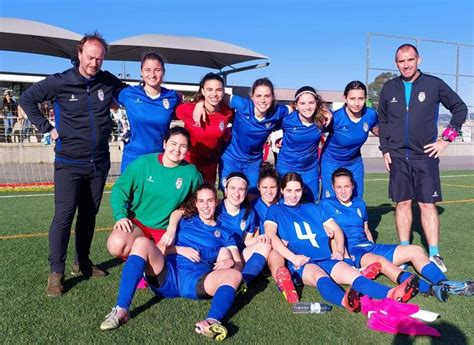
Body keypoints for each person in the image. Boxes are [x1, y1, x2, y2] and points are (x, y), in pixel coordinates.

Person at [19, 32, 127, 297]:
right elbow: (26, 100)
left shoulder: (107, 80)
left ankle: (83, 262)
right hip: (68, 163)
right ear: (79, 54)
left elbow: (132, 96)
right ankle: (56, 272)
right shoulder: (60, 82)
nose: (94, 63)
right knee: (64, 216)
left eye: (99, 58)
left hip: (99, 163)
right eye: (90, 57)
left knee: (89, 215)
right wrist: (47, 128)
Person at [100, 184, 241, 341]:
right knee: (141, 242)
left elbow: (238, 263)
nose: (205, 206)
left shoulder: (225, 233)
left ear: (216, 202)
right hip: (167, 275)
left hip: (195, 281)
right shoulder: (185, 220)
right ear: (196, 203)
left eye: (210, 201)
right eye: (201, 201)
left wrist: (229, 261)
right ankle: (121, 309)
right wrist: (180, 250)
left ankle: (211, 321)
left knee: (234, 275)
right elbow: (160, 248)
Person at [264, 172, 419, 311]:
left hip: (326, 257)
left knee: (353, 275)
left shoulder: (313, 208)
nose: (293, 195)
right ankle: (345, 300)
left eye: (297, 190)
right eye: (289, 190)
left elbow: (337, 230)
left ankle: (391, 293)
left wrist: (338, 250)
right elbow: (272, 237)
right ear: (282, 191)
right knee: (319, 276)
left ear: (302, 190)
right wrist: (293, 257)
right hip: (302, 261)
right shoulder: (275, 210)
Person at [320, 168, 474, 303]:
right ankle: (430, 289)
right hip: (354, 252)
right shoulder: (325, 205)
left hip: (369, 247)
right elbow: (330, 234)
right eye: (339, 187)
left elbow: (366, 230)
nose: (343, 190)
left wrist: (372, 246)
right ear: (333, 187)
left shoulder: (359, 203)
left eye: (346, 186)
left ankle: (444, 283)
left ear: (353, 186)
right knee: (381, 262)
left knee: (416, 250)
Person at [377, 44, 468, 272]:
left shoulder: (433, 84)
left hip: (425, 156)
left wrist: (446, 139)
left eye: (410, 60)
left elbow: (459, 108)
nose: (406, 65)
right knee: (403, 203)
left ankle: (434, 254)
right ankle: (405, 252)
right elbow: (383, 120)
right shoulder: (389, 88)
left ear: (418, 60)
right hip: (397, 156)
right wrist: (385, 149)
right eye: (401, 61)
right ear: (396, 63)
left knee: (427, 205)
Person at [107, 126, 202, 260]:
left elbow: (198, 201)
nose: (177, 149)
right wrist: (120, 215)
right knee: (116, 244)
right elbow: (120, 189)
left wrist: (174, 225)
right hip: (138, 224)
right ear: (164, 143)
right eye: (173, 144)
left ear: (187, 149)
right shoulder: (143, 163)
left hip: (165, 230)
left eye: (183, 146)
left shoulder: (191, 173)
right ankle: (144, 257)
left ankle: (147, 260)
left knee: (166, 268)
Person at [194, 77, 290, 194]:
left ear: (273, 97)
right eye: (258, 96)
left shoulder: (278, 112)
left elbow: (296, 108)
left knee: (251, 195)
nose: (263, 100)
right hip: (231, 159)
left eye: (267, 96)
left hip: (253, 163)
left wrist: (285, 136)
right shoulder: (243, 105)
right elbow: (218, 95)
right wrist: (200, 102)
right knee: (230, 195)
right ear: (252, 97)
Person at [117, 52, 180, 173]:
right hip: (133, 159)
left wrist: (198, 105)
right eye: (147, 70)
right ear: (141, 72)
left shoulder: (172, 97)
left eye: (157, 70)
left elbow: (190, 108)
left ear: (163, 72)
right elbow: (107, 98)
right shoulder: (128, 94)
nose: (152, 74)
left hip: (160, 159)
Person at [320, 81, 378, 199]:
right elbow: (313, 131)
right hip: (331, 162)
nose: (357, 103)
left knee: (356, 198)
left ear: (365, 98)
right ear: (345, 98)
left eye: (361, 98)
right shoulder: (335, 117)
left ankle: (358, 218)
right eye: (352, 99)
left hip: (354, 163)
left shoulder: (370, 114)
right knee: (330, 200)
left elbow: (380, 132)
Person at [252, 163, 300, 303]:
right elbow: (254, 237)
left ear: (278, 188)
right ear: (258, 187)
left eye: (272, 187)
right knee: (275, 253)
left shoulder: (286, 203)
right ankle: (284, 281)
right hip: (269, 249)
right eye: (265, 187)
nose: (269, 191)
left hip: (290, 246)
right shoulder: (253, 208)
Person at [176, 73, 233, 185]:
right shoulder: (187, 110)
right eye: (209, 89)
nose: (214, 94)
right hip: (188, 163)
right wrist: (199, 103)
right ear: (202, 91)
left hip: (210, 166)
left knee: (206, 199)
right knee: (186, 200)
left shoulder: (228, 112)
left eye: (218, 90)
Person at [218, 172, 271, 288]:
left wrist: (259, 238)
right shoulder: (215, 208)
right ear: (225, 190)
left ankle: (243, 282)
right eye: (232, 188)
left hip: (238, 256)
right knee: (224, 252)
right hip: (218, 253)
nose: (236, 193)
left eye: (241, 189)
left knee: (265, 245)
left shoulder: (249, 213)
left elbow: (247, 241)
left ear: (246, 192)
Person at [277, 86, 330, 202]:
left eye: (311, 103)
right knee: (287, 203)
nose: (307, 107)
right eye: (302, 103)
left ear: (316, 103)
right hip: (287, 167)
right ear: (296, 105)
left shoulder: (322, 120)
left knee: (310, 204)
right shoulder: (287, 120)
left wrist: (328, 113)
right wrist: (277, 140)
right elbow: (267, 124)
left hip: (310, 169)